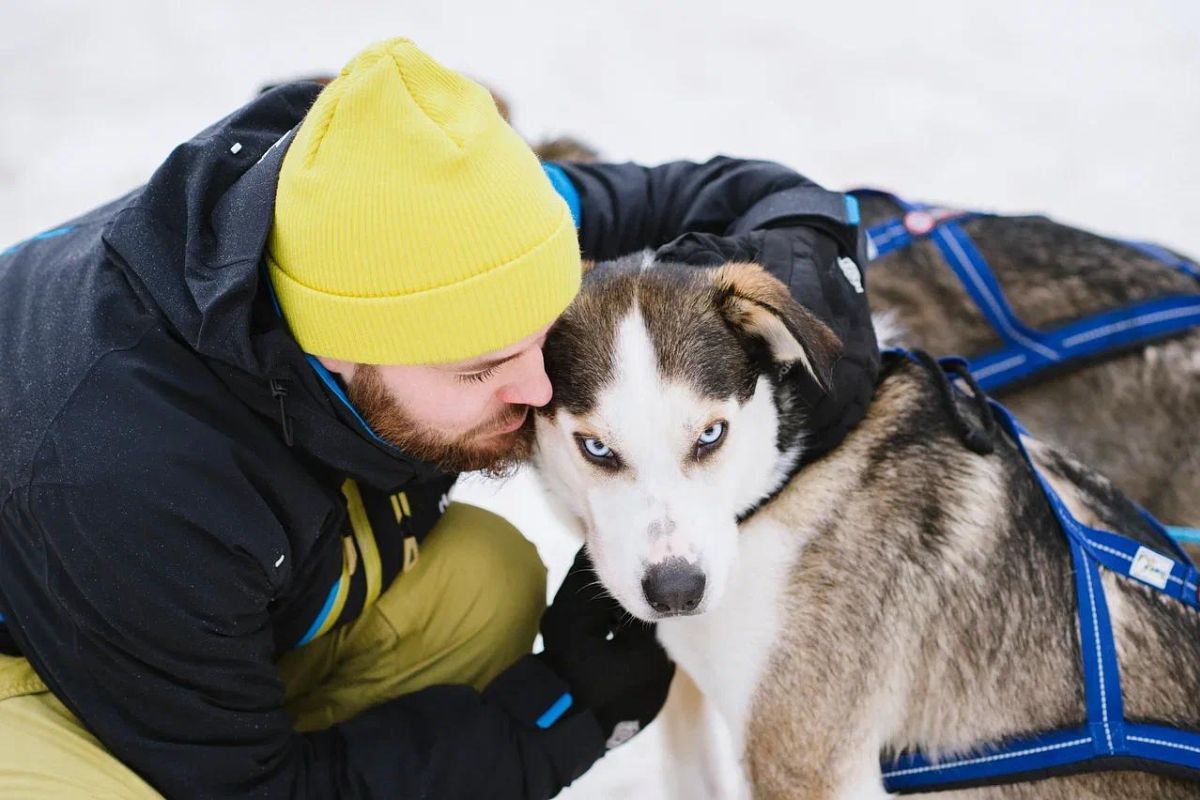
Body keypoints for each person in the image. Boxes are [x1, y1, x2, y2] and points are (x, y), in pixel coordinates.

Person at [0, 38, 878, 798]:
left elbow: (760, 195)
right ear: (341, 352)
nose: (539, 388)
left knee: (485, 584)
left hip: (171, 600)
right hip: (39, 642)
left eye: (539, 334)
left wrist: (803, 304)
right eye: (481, 368)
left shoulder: (407, 208)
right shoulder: (135, 484)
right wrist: (570, 707)